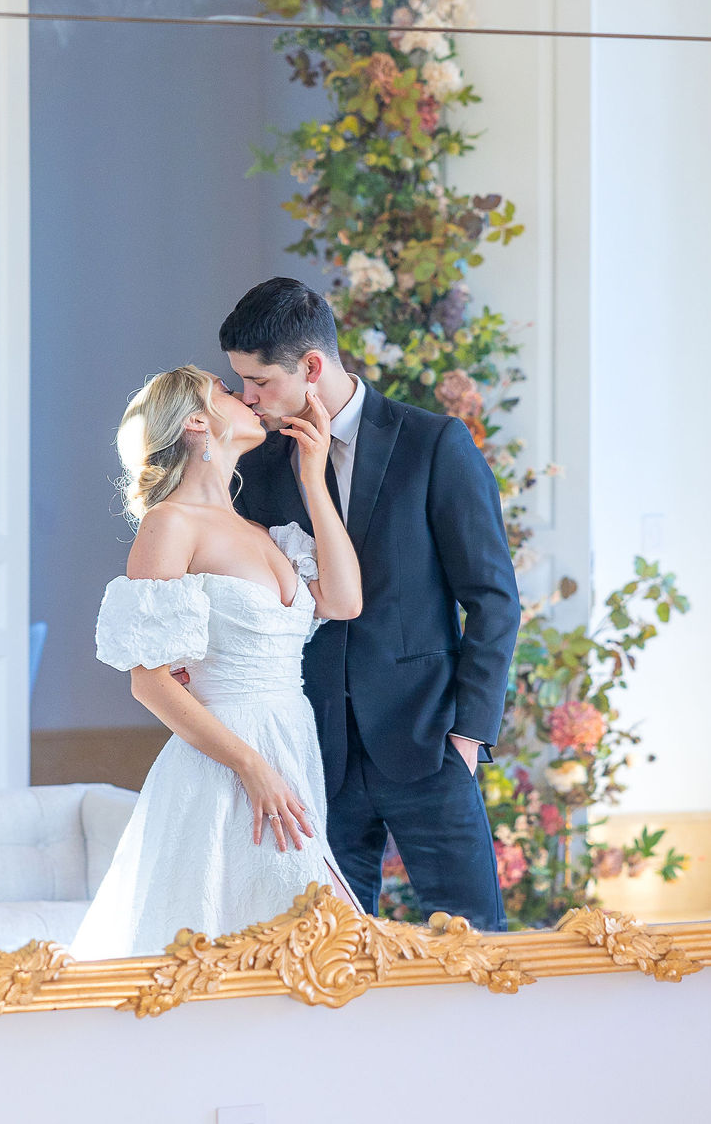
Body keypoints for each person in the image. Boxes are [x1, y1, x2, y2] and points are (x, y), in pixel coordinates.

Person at [221, 277, 519, 932]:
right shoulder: (263, 463)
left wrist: (468, 735)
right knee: (328, 951)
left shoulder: (434, 444)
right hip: (313, 752)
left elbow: (494, 599)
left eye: (260, 381)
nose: (249, 397)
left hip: (429, 740)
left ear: (312, 367)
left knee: (475, 946)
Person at [70, 365, 364, 956]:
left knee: (306, 947)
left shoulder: (262, 532)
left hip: (291, 743)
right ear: (198, 422)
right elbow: (150, 684)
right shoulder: (168, 525)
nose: (246, 396)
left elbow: (344, 600)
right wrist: (251, 768)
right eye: (228, 391)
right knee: (263, 941)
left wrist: (314, 479)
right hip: (227, 764)